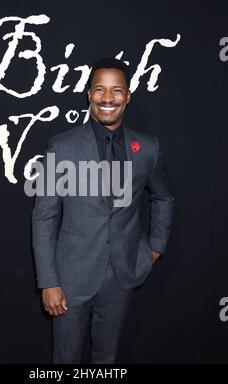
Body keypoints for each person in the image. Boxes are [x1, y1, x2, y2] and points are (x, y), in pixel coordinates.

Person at [32, 57, 175, 364]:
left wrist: (154, 248)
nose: (107, 98)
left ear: (128, 95)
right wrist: (49, 281)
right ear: (89, 94)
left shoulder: (148, 148)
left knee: (106, 358)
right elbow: (44, 216)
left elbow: (163, 198)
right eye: (100, 89)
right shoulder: (63, 147)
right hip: (70, 277)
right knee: (65, 359)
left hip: (122, 275)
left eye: (116, 90)